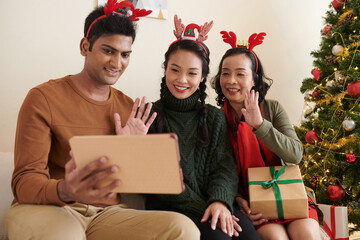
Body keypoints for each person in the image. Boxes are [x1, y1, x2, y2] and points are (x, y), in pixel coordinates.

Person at [5, 2, 201, 240]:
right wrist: (66, 189)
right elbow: (24, 182)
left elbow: (134, 185)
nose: (117, 64)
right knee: (67, 235)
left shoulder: (130, 109)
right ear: (85, 46)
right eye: (108, 51)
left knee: (184, 229)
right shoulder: (43, 98)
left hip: (104, 214)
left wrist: (132, 152)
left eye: (125, 54)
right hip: (49, 208)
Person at [145, 15, 260, 240]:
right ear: (165, 70)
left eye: (192, 73)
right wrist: (207, 208)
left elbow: (224, 167)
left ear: (203, 77)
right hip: (170, 208)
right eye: (175, 70)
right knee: (220, 238)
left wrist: (219, 201)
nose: (182, 80)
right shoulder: (150, 115)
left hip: (211, 202)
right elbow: (159, 182)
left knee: (250, 237)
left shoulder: (214, 117)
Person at [211, 30, 322, 240]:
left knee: (306, 234)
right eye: (225, 73)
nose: (231, 80)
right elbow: (213, 169)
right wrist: (236, 199)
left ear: (254, 79)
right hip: (253, 202)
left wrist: (260, 125)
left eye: (240, 74)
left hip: (287, 194)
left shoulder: (272, 108)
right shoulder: (215, 118)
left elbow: (295, 154)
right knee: (275, 238)